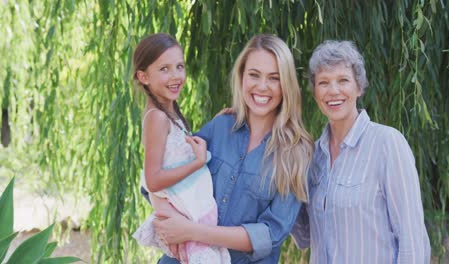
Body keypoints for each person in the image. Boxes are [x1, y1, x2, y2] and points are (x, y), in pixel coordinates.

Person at [152, 34, 315, 263]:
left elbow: (269, 234)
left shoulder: (297, 153)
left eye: (274, 78)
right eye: (254, 75)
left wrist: (191, 231)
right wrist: (171, 223)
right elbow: (163, 176)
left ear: (286, 84)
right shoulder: (220, 127)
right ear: (241, 77)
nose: (262, 86)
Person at [291, 40, 431, 263]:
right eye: (324, 82)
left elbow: (412, 239)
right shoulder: (311, 156)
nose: (333, 90)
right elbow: (305, 236)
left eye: (343, 80)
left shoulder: (387, 144)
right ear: (315, 92)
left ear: (359, 87)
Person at [131, 33, 230, 263]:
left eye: (179, 66)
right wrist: (198, 162)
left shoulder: (168, 112)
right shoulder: (157, 117)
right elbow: (153, 180)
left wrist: (216, 124)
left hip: (190, 215)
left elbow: (177, 153)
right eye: (164, 69)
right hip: (185, 217)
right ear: (144, 76)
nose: (175, 76)